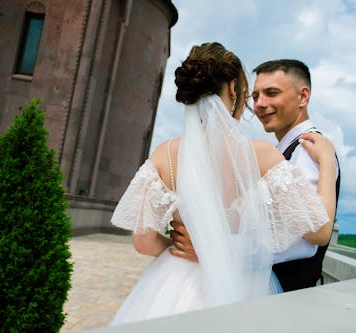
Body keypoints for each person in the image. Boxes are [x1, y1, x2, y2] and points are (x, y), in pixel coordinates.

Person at [108, 43, 336, 326]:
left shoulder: (164, 154)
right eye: (246, 92)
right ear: (232, 89)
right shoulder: (262, 155)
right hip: (235, 286)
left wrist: (180, 250)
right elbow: (321, 231)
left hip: (171, 281)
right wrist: (327, 163)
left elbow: (143, 242)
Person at [250, 59, 341, 292]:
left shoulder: (308, 150)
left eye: (271, 93)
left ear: (303, 97)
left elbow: (304, 237)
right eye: (255, 96)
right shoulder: (285, 151)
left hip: (280, 295)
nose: (260, 104)